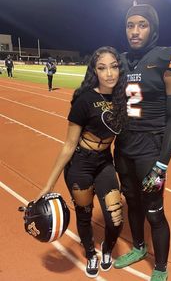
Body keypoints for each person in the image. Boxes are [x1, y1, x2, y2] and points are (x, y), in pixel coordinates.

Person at [113, 4, 171, 281]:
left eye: (142, 25)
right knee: (131, 202)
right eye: (130, 25)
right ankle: (138, 247)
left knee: (154, 211)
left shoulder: (169, 58)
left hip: (150, 150)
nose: (134, 31)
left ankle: (161, 267)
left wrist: (161, 164)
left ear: (152, 28)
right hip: (122, 147)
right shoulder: (119, 60)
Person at [37, 46, 127, 278]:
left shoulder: (122, 97)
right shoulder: (85, 100)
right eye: (102, 68)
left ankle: (107, 248)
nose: (109, 73)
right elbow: (68, 145)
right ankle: (90, 253)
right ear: (94, 71)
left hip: (104, 163)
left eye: (114, 66)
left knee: (115, 218)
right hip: (81, 165)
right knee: (84, 214)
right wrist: (48, 185)